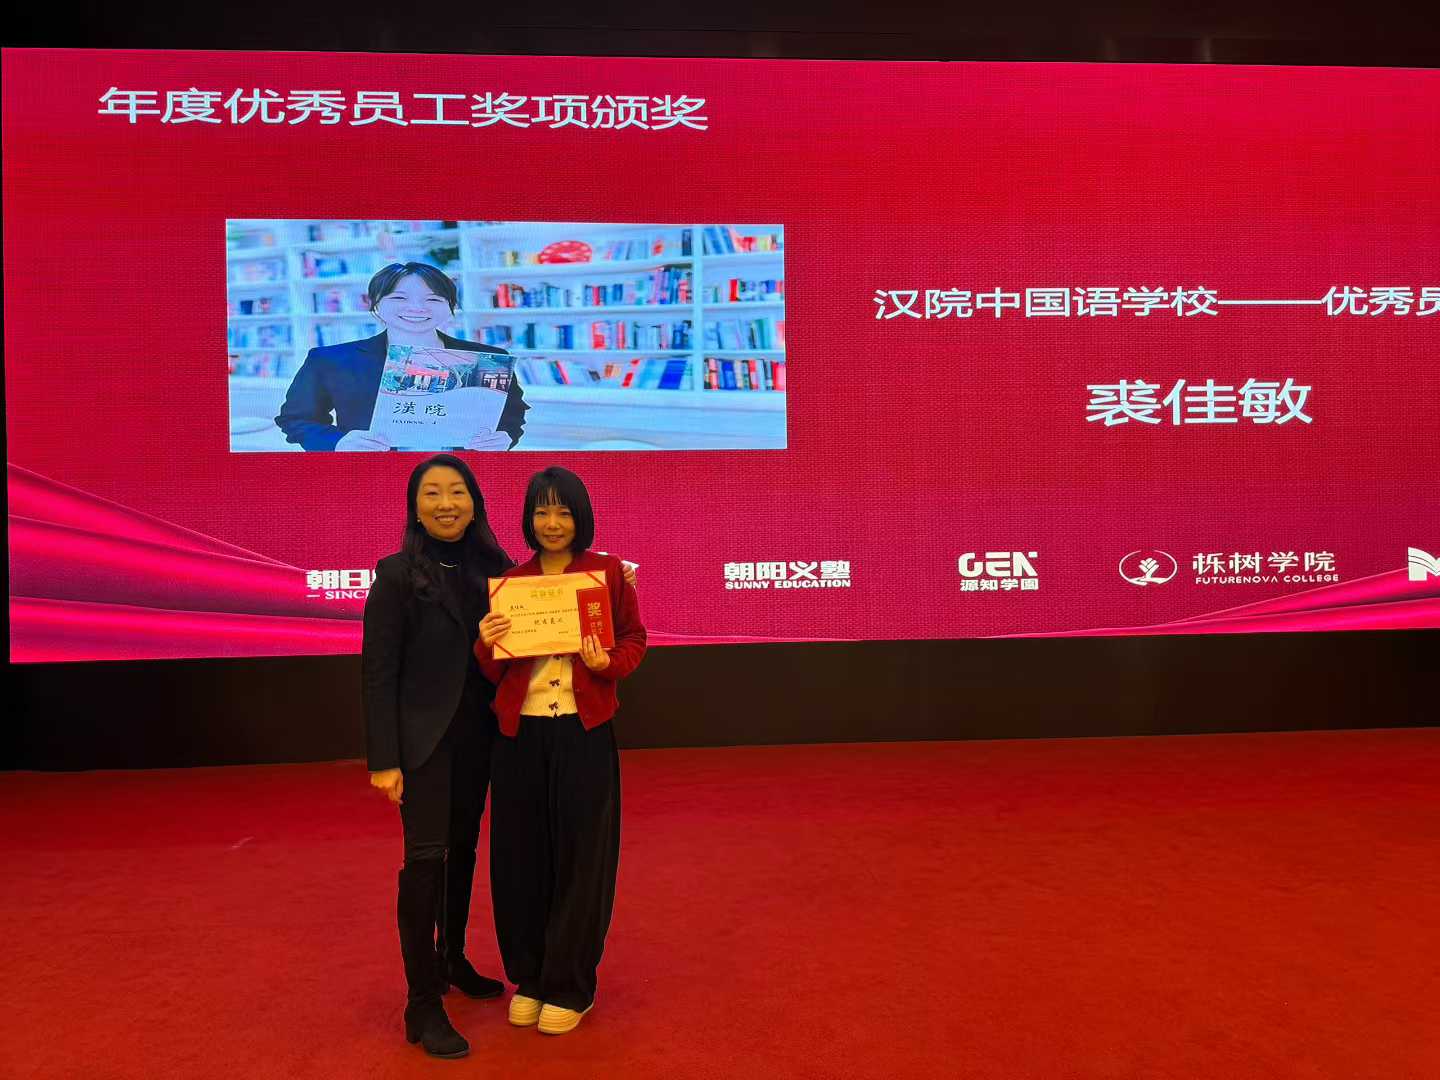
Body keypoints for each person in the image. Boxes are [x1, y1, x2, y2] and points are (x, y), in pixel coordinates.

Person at [477, 467, 646, 1036]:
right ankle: (530, 977)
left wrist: (606, 664)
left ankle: (572, 984)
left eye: (564, 512)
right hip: (520, 735)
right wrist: (487, 641)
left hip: (583, 731)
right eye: (542, 511)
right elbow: (492, 669)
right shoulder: (512, 582)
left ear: (581, 518)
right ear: (529, 518)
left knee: (582, 858)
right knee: (519, 859)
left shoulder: (608, 574)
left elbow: (633, 640)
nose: (552, 523)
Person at [362, 454, 514, 1059]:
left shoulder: (497, 570)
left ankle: (452, 958)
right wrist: (384, 759)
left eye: (457, 492)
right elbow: (379, 673)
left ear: (474, 503)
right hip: (423, 744)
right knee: (425, 861)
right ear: (416, 507)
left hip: (481, 737)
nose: (446, 503)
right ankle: (421, 1002)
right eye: (432, 493)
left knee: (463, 852)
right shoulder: (397, 574)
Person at [278, 261, 527, 451]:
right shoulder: (331, 360)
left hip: (460, 475)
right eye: (399, 297)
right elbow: (296, 419)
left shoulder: (487, 358)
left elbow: (512, 415)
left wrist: (505, 436)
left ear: (450, 307)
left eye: (433, 299)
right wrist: (338, 442)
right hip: (372, 475)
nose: (417, 308)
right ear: (376, 304)